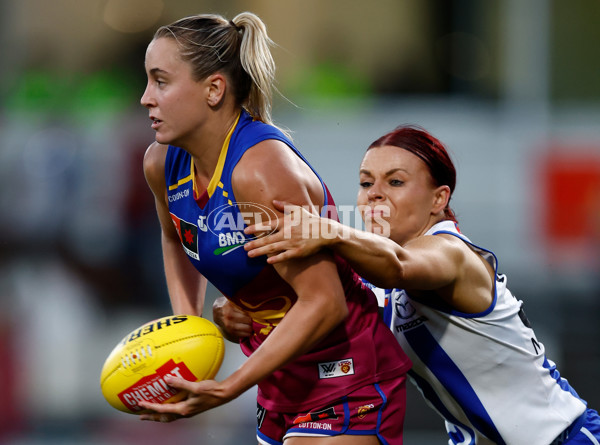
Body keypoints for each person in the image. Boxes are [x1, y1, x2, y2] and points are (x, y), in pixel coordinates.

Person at [214, 125, 600, 444]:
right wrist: (240, 310)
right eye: (366, 183)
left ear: (439, 198)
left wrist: (327, 229)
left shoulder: (453, 254)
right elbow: (309, 310)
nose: (374, 194)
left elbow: (398, 265)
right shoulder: (365, 274)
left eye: (395, 181)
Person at [138, 11, 412, 445]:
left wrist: (229, 386)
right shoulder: (162, 163)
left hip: (345, 374)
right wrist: (190, 331)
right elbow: (176, 238)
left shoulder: (259, 171)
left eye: (161, 81)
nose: (145, 98)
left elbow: (325, 304)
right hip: (278, 384)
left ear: (214, 90)